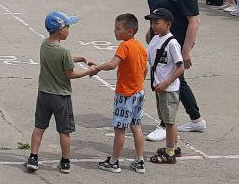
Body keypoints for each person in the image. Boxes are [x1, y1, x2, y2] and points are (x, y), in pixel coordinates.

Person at [145, 0, 205, 139]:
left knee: (166, 78)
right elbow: (160, 10)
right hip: (159, 37)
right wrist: (151, 29)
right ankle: (196, 119)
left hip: (174, 40)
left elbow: (194, 22)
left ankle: (165, 124)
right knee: (178, 80)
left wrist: (186, 49)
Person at [25, 11, 91, 174]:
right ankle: (65, 161)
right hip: (61, 96)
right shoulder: (63, 51)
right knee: (64, 131)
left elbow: (65, 58)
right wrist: (90, 70)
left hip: (44, 94)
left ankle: (33, 157)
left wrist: (81, 58)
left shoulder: (44, 44)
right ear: (61, 30)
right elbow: (71, 73)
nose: (69, 29)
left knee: (39, 127)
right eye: (68, 26)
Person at [86, 13, 148, 174]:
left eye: (118, 29)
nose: (115, 31)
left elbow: (113, 64)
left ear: (130, 31)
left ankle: (114, 161)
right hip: (138, 93)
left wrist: (97, 68)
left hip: (125, 94)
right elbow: (145, 69)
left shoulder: (125, 45)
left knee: (120, 129)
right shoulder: (140, 46)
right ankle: (140, 160)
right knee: (136, 126)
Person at [144, 9, 185, 166]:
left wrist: (166, 82)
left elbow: (180, 67)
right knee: (167, 119)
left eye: (157, 22)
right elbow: (146, 56)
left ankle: (170, 152)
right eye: (152, 22)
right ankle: (174, 146)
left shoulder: (172, 43)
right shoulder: (155, 39)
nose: (153, 25)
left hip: (168, 88)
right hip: (159, 87)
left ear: (168, 24)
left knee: (169, 121)